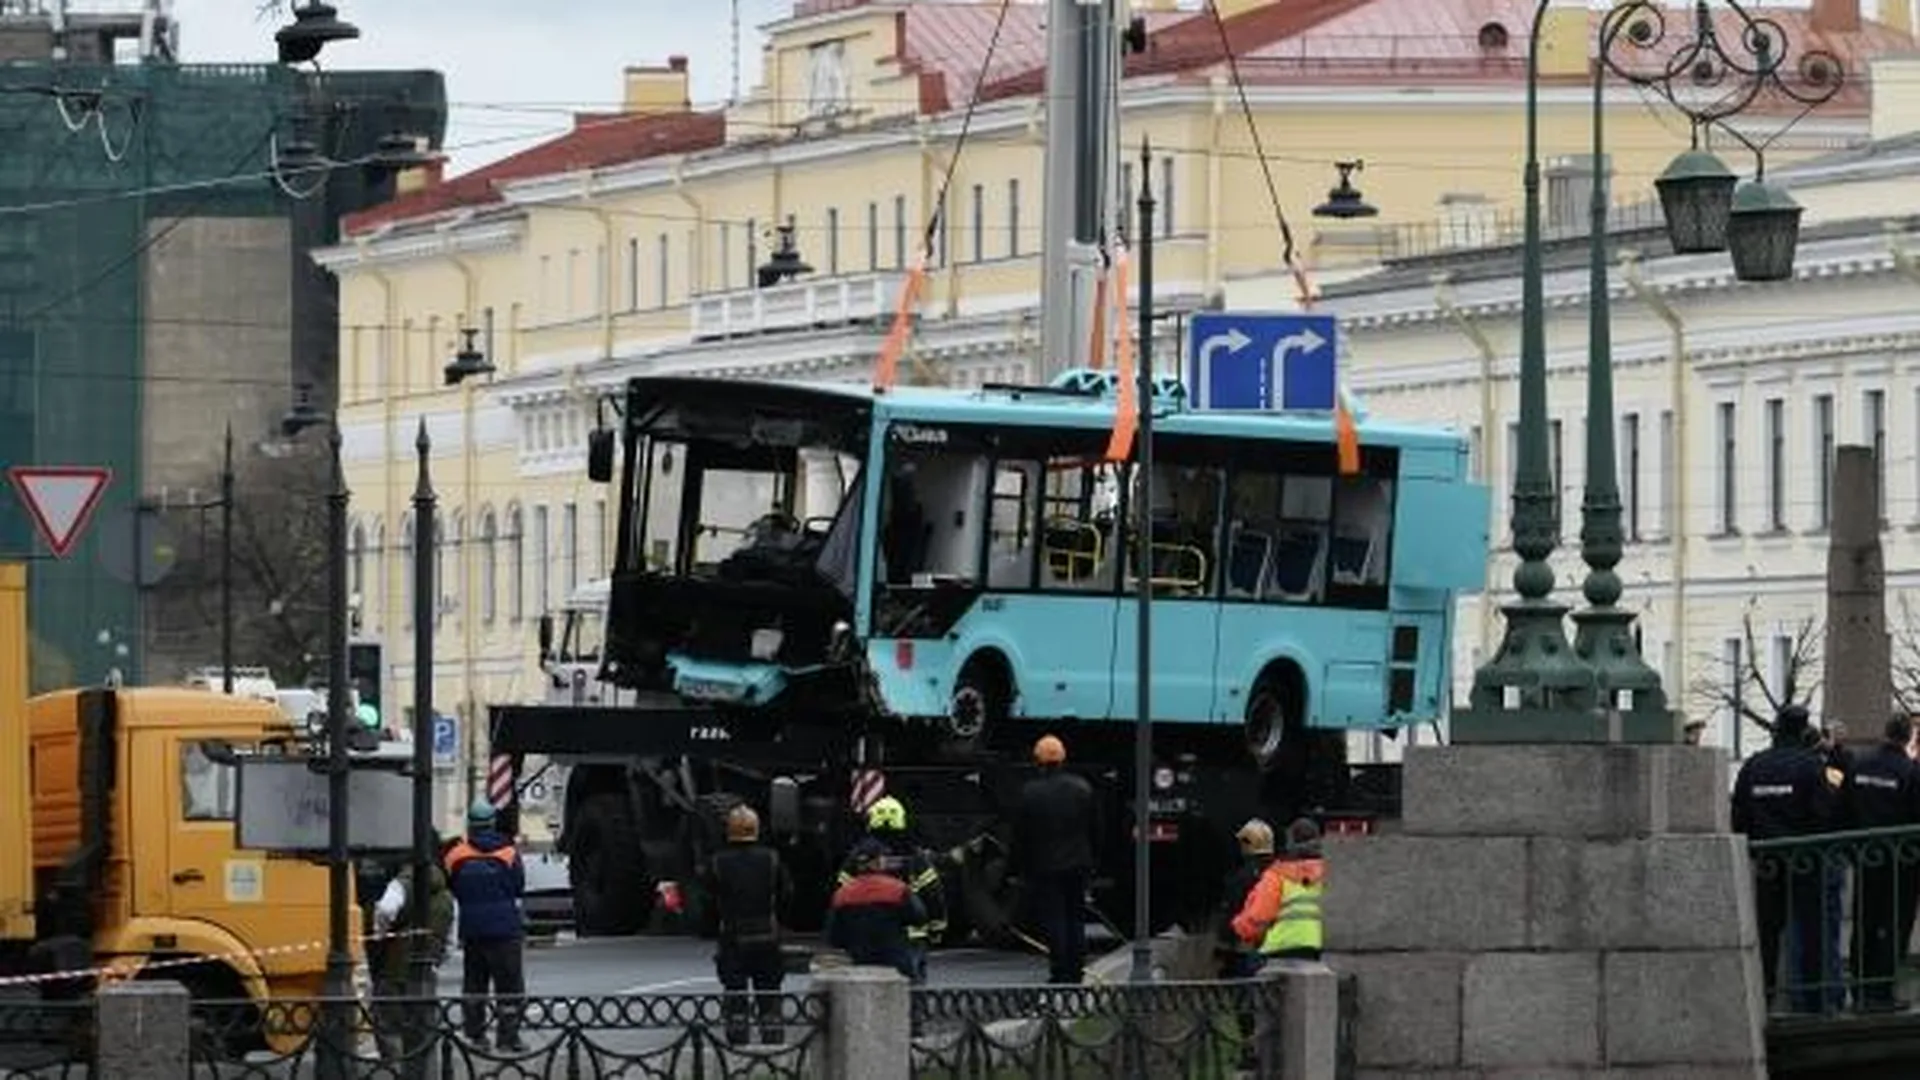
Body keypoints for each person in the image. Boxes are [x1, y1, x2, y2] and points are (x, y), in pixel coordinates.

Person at [1732, 705, 1839, 1014]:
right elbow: (1823, 815)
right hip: (1804, 860)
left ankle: (1762, 997)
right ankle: (1813, 1001)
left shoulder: (1754, 765)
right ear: (1804, 730)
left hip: (1767, 861)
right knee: (1810, 929)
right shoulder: (1810, 767)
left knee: (1767, 932)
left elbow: (1739, 816)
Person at [1843, 715, 1920, 1011]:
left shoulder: (1858, 765)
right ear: (1906, 738)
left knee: (1864, 921)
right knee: (1894, 925)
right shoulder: (1910, 771)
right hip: (1900, 865)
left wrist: (1853, 850)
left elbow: (1843, 810)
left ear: (1885, 733)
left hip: (1865, 859)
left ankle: (1860, 988)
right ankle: (1881, 992)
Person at [702, 804, 792, 1046]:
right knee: (769, 991)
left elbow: (707, 898)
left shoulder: (718, 861)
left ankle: (737, 1041)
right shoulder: (771, 858)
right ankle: (773, 1039)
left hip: (732, 935)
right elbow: (787, 893)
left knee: (735, 992)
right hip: (767, 935)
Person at [1013, 734, 1098, 985]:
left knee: (1055, 919)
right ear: (1063, 759)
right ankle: (1077, 971)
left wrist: (1016, 868)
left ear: (1038, 761)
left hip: (1045, 866)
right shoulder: (1082, 788)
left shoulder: (1030, 793)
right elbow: (1096, 828)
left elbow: (1021, 836)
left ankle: (1059, 971)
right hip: (1079, 865)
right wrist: (1093, 860)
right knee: (1076, 917)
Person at [444, 797, 527, 1050]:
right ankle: (508, 1038)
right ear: (492, 824)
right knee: (510, 986)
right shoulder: (509, 853)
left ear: (470, 825)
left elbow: (453, 887)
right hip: (505, 929)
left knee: (474, 985)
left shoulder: (456, 855)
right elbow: (518, 887)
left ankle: (476, 1035)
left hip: (473, 930)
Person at [837, 795, 945, 984]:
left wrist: (841, 933)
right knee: (911, 988)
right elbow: (933, 893)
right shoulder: (915, 857)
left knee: (867, 989)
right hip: (910, 937)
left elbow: (841, 895)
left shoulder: (859, 857)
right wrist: (937, 928)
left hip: (864, 937)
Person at [370, 838, 456, 1060]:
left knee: (388, 1024)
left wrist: (380, 934)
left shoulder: (404, 881)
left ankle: (397, 1070)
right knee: (423, 1029)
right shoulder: (448, 896)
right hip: (427, 973)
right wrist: (435, 962)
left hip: (394, 970)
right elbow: (450, 944)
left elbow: (387, 909)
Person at [1230, 818, 1327, 964]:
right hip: (1322, 949)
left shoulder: (1277, 875)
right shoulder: (1330, 873)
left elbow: (1258, 918)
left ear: (1289, 843)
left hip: (1281, 949)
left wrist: (1237, 927)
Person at [826, 839, 925, 978]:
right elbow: (919, 917)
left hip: (859, 967)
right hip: (895, 966)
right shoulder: (898, 889)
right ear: (877, 863)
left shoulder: (842, 894)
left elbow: (834, 937)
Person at [1214, 819, 1278, 981]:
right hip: (1278, 948)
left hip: (1246, 949)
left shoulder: (1242, 877)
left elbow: (1232, 910)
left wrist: (1223, 944)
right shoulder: (1281, 873)